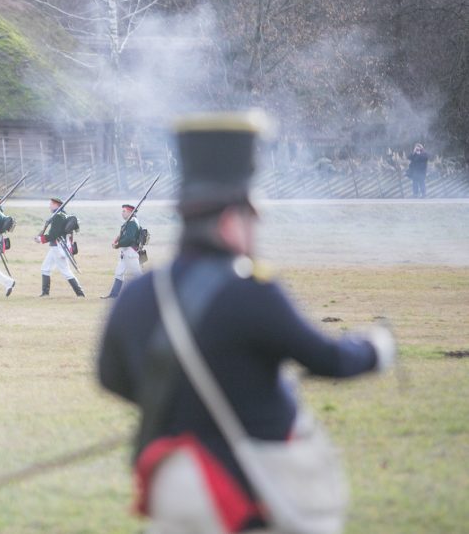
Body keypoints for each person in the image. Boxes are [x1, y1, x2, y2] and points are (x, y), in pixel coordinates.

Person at [97, 113, 395, 533]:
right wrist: (378, 348)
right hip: (244, 485)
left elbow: (110, 378)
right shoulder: (253, 291)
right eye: (251, 215)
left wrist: (177, 404)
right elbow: (328, 359)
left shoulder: (140, 293)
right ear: (229, 220)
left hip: (171, 486)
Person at [34, 196, 84, 297]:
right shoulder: (62, 214)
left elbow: (53, 235)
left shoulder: (57, 216)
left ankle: (80, 293)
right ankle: (45, 293)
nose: (49, 206)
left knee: (66, 271)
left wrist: (40, 239)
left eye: (51, 204)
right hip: (56, 247)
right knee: (45, 268)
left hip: (58, 247)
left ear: (56, 205)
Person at [101, 204, 143, 299]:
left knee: (138, 275)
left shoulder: (132, 222)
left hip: (130, 252)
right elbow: (123, 235)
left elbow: (129, 238)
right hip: (125, 252)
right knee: (119, 272)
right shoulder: (129, 222)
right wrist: (117, 242)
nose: (122, 213)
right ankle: (114, 295)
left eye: (124, 211)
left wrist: (118, 244)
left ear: (130, 212)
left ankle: (147, 294)